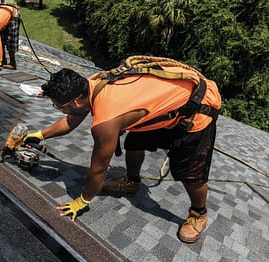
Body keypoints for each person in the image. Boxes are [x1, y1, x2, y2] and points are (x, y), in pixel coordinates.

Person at [20, 61, 221, 243]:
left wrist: (82, 200)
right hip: (168, 103)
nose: (59, 110)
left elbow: (98, 170)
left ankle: (198, 213)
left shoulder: (106, 121)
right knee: (134, 141)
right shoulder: (90, 84)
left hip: (197, 109)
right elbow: (71, 120)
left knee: (190, 173)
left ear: (76, 102)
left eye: (59, 107)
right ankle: (132, 182)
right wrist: (39, 135)